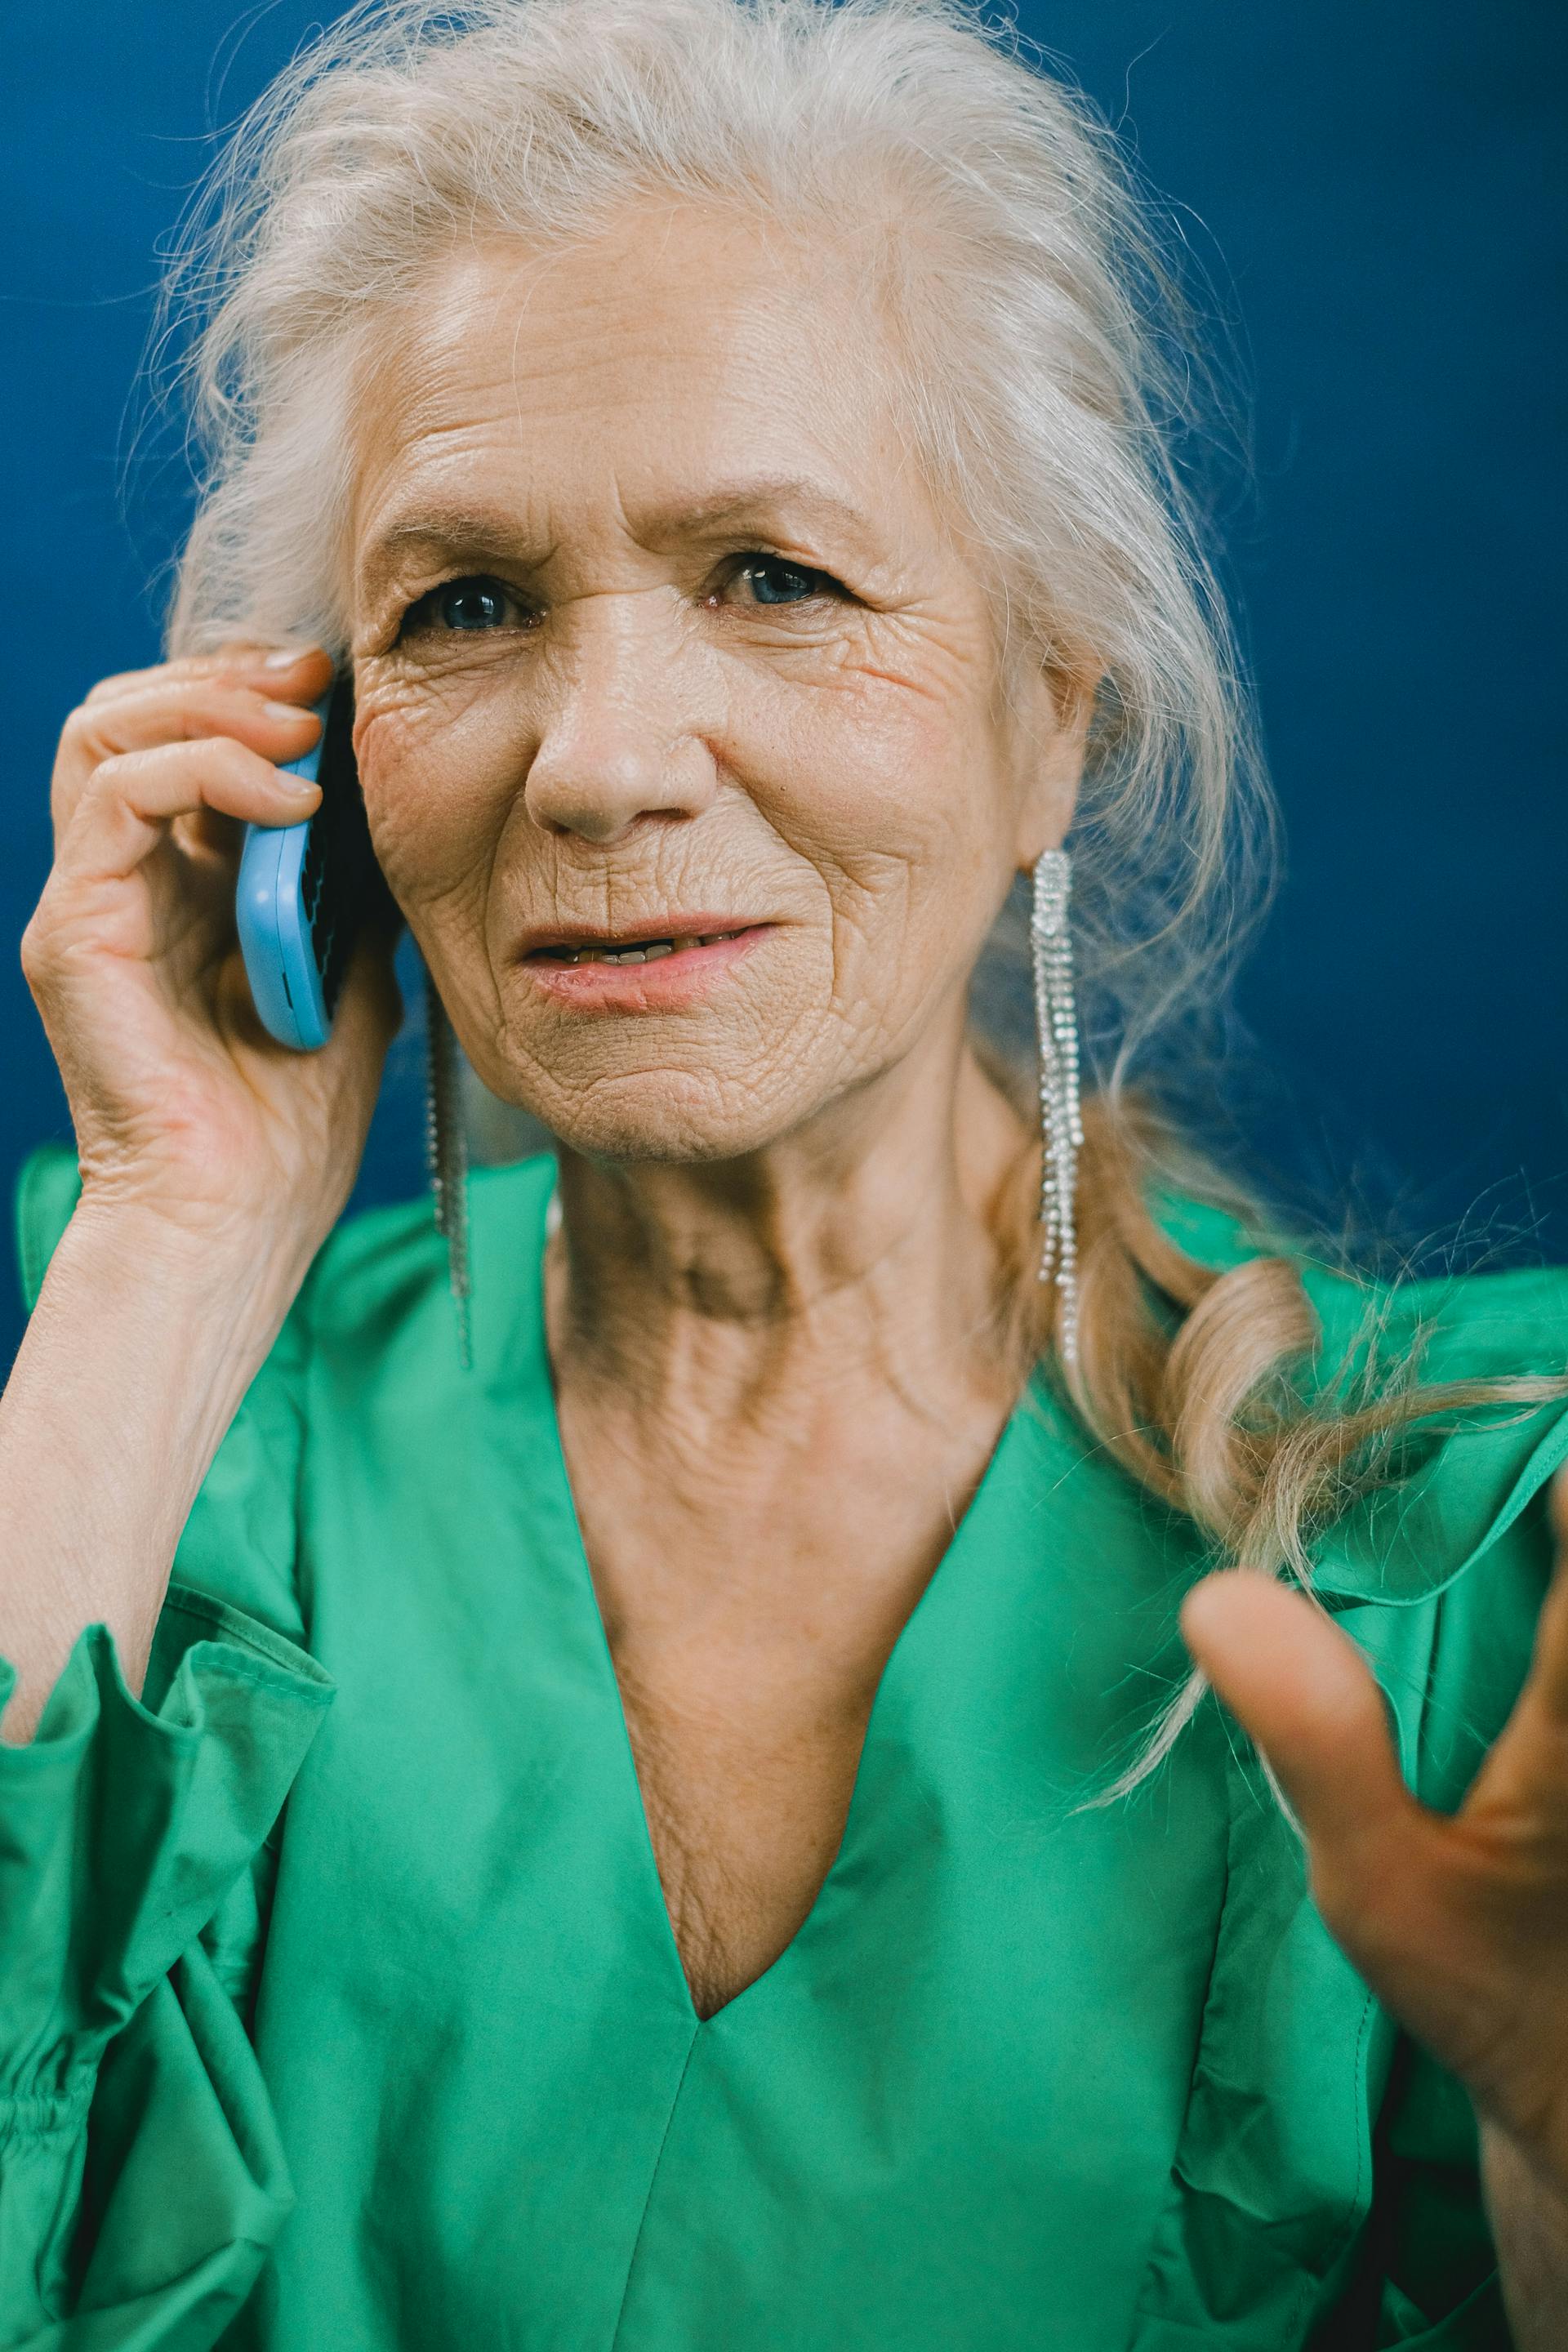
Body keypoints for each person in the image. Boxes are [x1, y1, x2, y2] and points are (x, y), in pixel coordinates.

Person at [2, 0, 1565, 2345]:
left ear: (1052, 717)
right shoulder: (148, 1445)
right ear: (329, 762)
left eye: (776, 578)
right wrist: (175, 1235)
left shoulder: (1483, 1542)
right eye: (465, 608)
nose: (603, 763)